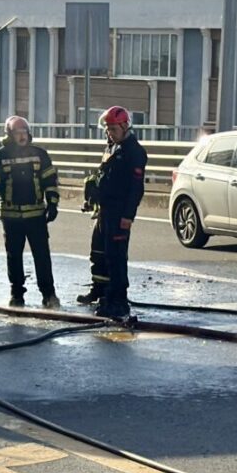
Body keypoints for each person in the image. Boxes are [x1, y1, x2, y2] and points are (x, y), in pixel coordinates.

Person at [76, 106, 147, 319]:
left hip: (119, 212)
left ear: (125, 127)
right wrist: (93, 196)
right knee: (99, 251)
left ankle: (118, 300)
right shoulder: (112, 147)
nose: (109, 133)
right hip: (105, 210)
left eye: (113, 129)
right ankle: (100, 290)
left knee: (116, 256)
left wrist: (128, 216)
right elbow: (103, 177)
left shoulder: (134, 152)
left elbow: (136, 189)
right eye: (107, 129)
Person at [0, 116, 60, 308]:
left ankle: (49, 294)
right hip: (11, 217)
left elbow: (50, 182)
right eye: (18, 133)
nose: (22, 136)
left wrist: (52, 204)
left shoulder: (40, 154)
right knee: (14, 256)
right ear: (10, 135)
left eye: (24, 132)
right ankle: (16, 293)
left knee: (42, 255)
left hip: (36, 215)